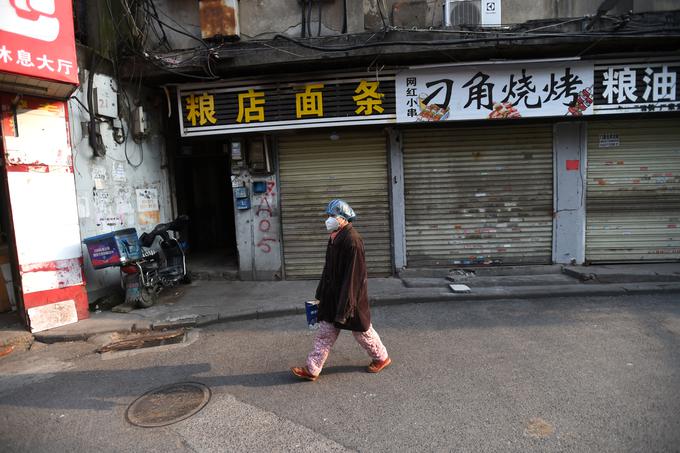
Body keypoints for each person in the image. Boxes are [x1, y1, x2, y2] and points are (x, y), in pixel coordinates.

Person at [291, 199, 391, 381]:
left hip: (349, 298)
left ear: (344, 219)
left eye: (332, 216)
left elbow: (354, 277)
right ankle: (312, 369)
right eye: (328, 215)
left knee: (362, 332)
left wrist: (346, 306)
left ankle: (381, 358)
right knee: (325, 333)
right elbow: (328, 269)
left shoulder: (353, 241)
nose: (329, 219)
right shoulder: (335, 237)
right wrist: (320, 293)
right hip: (332, 295)